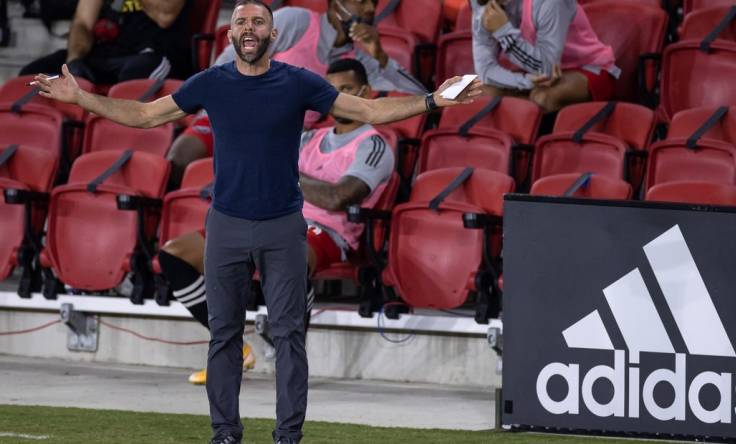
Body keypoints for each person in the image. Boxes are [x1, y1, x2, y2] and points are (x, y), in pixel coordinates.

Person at [33, 1, 480, 442]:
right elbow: (147, 115)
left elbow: (368, 112)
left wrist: (434, 99)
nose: (249, 27)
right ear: (230, 36)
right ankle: (225, 433)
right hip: (225, 225)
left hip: (284, 225)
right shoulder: (212, 82)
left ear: (273, 34)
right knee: (223, 336)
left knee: (289, 336)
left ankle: (288, 435)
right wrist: (83, 99)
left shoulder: (299, 81)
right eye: (241, 21)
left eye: (258, 21)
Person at [160, 58, 395, 386]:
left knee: (292, 255)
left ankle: (291, 360)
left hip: (328, 232)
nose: (338, 96)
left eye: (347, 89)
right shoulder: (309, 138)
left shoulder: (373, 144)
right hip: (274, 215)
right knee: (175, 253)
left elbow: (339, 198)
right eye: (333, 90)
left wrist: (283, 174)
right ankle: (233, 348)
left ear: (364, 92)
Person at [167, 0, 424, 188]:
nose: (369, 9)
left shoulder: (357, 62)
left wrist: (379, 55)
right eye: (360, 2)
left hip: (283, 140)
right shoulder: (297, 21)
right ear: (337, 5)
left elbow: (418, 96)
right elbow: (231, 57)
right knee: (180, 157)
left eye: (373, 3)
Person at [471, 0, 619, 113]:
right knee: (479, 92)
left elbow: (546, 68)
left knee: (542, 97)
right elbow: (485, 69)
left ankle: (537, 149)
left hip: (589, 67)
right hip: (536, 73)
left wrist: (503, 31)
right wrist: (524, 82)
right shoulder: (481, 3)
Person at [19, 0, 188, 83]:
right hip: (107, 55)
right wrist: (74, 60)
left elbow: (166, 15)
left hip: (153, 54)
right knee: (31, 76)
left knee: (134, 74)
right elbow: (82, 23)